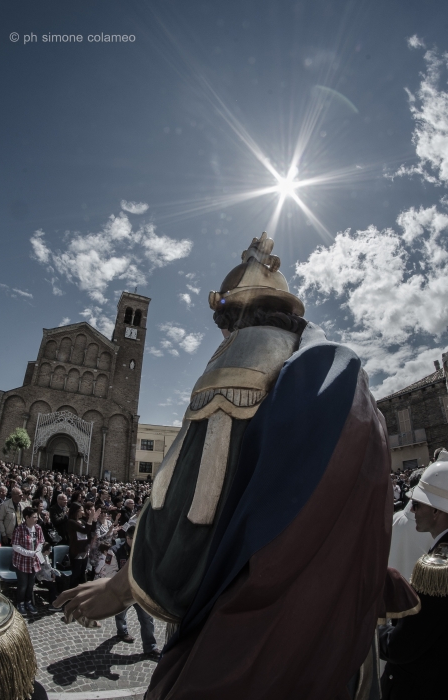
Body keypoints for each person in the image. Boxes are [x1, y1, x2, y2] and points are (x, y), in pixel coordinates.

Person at [55, 232, 392, 699]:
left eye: (224, 323)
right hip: (342, 629)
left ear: (231, 316)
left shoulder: (245, 356)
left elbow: (191, 494)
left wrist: (121, 587)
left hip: (254, 626)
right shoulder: (345, 376)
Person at [380, 450, 448, 699]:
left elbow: (405, 644)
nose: (412, 509)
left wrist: (376, 633)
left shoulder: (437, 567)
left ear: (436, 512)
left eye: (417, 504)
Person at [113, 526, 160, 655]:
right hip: (123, 591)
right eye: (135, 539)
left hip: (139, 591)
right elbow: (110, 571)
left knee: (147, 619)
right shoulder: (116, 551)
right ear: (128, 538)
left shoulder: (144, 550)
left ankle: (150, 646)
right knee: (120, 614)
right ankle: (122, 632)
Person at [11, 506, 45, 616]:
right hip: (22, 562)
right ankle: (20, 603)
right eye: (34, 517)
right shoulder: (19, 529)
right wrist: (30, 553)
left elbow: (41, 541)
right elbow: (16, 546)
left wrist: (37, 550)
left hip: (34, 562)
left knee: (31, 584)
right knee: (23, 585)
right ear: (27, 517)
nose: (37, 519)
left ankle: (28, 601)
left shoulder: (38, 528)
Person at [67, 502, 99, 587]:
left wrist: (94, 519)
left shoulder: (82, 521)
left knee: (82, 572)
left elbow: (91, 530)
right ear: (76, 511)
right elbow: (84, 531)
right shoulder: (71, 522)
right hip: (76, 551)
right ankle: (71, 593)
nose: (83, 512)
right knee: (76, 573)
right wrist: (90, 518)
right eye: (81, 510)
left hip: (84, 550)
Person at [36, 542, 62, 612]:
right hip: (42, 577)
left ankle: (57, 597)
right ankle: (52, 604)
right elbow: (42, 572)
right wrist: (50, 579)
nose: (50, 551)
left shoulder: (46, 556)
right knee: (52, 587)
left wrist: (53, 573)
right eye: (49, 550)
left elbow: (49, 567)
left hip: (49, 575)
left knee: (60, 580)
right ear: (46, 550)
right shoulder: (40, 559)